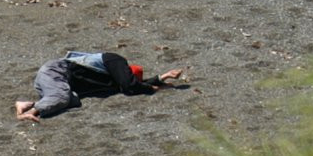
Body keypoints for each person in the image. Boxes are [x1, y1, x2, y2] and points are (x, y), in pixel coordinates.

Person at [15, 50, 188, 121]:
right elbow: (131, 86)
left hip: (59, 81)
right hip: (57, 71)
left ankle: (27, 104)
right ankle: (30, 113)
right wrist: (152, 89)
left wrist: (164, 77)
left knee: (72, 100)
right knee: (61, 97)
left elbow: (133, 85)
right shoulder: (114, 59)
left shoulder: (114, 81)